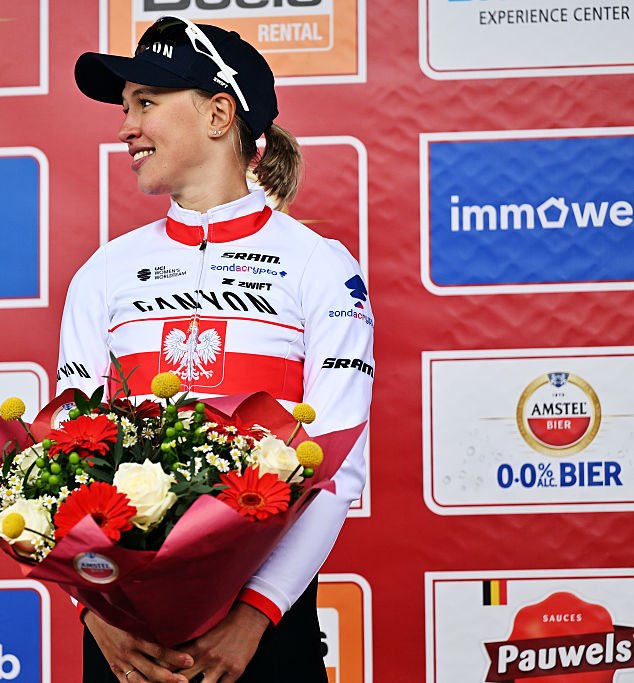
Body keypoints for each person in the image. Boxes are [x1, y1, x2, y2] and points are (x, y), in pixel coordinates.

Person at [58, 16, 374, 683]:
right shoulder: (103, 273)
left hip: (264, 633)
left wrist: (254, 615)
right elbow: (62, 463)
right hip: (124, 638)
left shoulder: (321, 267)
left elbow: (336, 470)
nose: (125, 127)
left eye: (146, 103)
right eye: (124, 108)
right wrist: (95, 614)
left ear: (218, 114)